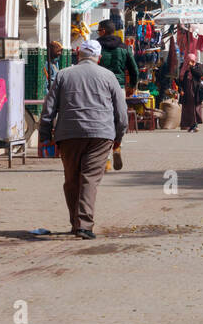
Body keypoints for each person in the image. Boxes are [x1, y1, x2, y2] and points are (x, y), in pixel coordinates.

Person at [38, 38, 128, 240]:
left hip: (69, 134)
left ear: (78, 54)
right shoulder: (109, 76)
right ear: (99, 57)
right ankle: (84, 225)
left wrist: (44, 135)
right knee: (89, 179)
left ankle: (75, 222)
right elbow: (121, 113)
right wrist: (119, 137)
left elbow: (49, 108)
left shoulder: (63, 75)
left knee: (71, 180)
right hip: (101, 135)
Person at [97, 21, 140, 92]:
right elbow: (134, 69)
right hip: (118, 87)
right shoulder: (125, 48)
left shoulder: (96, 48)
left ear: (103, 31)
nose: (98, 33)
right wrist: (132, 86)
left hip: (100, 86)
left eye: (98, 31)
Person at [179, 55, 203, 131]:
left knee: (195, 108)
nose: (191, 62)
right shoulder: (183, 67)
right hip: (186, 92)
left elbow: (200, 74)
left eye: (193, 60)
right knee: (187, 109)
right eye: (190, 60)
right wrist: (180, 89)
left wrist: (192, 67)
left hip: (195, 91)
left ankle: (195, 124)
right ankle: (190, 125)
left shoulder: (198, 66)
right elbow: (180, 80)